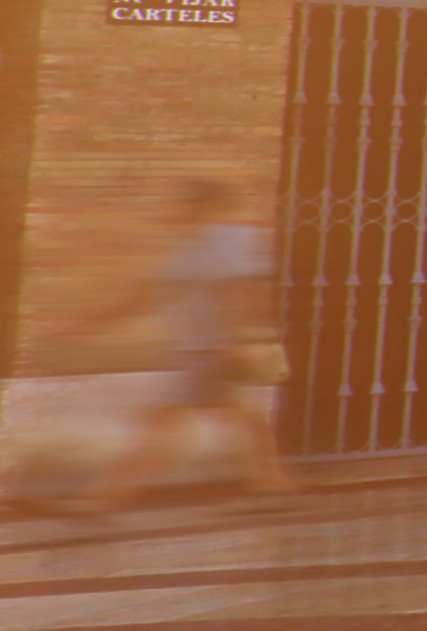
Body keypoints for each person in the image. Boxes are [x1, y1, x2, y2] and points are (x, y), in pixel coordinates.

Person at [84, 180, 288, 509]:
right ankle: (273, 486)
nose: (171, 208)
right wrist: (87, 326)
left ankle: (106, 498)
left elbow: (246, 290)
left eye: (179, 202)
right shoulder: (189, 245)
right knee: (240, 419)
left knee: (165, 421)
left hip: (215, 350)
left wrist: (238, 339)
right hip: (199, 350)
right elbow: (151, 295)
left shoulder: (231, 240)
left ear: (201, 204)